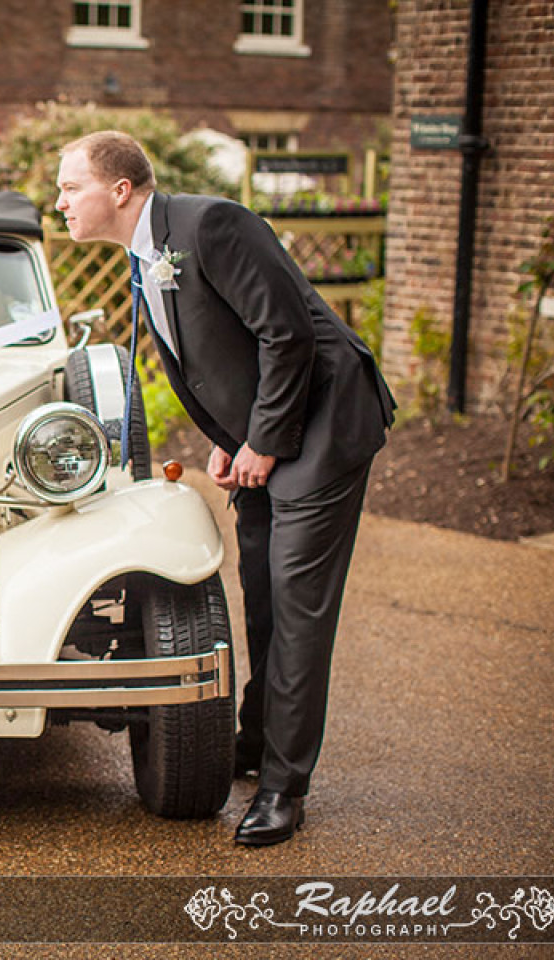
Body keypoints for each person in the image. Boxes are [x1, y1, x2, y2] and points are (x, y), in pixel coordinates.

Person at [54, 131, 395, 846]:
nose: (60, 204)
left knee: (299, 609)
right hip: (267, 431)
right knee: (263, 598)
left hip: (325, 422)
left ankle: (283, 790)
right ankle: (253, 741)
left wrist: (263, 442)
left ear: (120, 190)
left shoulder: (212, 224)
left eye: (69, 188)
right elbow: (218, 353)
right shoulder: (144, 255)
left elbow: (288, 334)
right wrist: (228, 436)